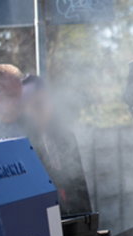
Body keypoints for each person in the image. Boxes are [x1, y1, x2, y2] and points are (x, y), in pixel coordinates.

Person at [22, 74, 92, 215]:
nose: (36, 110)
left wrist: (87, 222)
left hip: (70, 219)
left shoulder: (65, 138)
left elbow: (79, 187)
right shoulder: (21, 142)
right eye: (30, 104)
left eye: (40, 103)